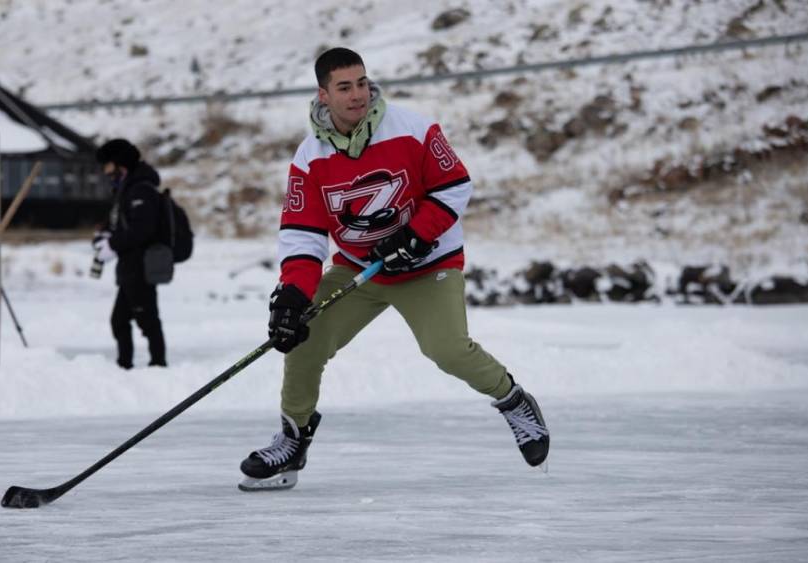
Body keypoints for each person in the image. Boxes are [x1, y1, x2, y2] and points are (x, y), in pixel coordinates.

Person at [239, 48, 550, 491]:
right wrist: (292, 295)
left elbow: (455, 186)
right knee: (304, 340)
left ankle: (514, 400)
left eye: (362, 83)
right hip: (360, 270)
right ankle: (293, 439)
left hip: (429, 264)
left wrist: (418, 234)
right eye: (344, 87)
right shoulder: (310, 159)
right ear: (323, 94)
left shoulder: (412, 128)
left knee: (446, 350)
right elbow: (304, 236)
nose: (357, 94)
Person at [93, 139, 168, 369]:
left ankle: (157, 365)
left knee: (147, 320)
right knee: (120, 321)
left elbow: (141, 229)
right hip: (130, 266)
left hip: (141, 266)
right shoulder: (126, 188)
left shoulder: (141, 189)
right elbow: (119, 221)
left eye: (107, 165)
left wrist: (113, 244)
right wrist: (104, 236)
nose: (106, 171)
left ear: (119, 164)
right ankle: (124, 366)